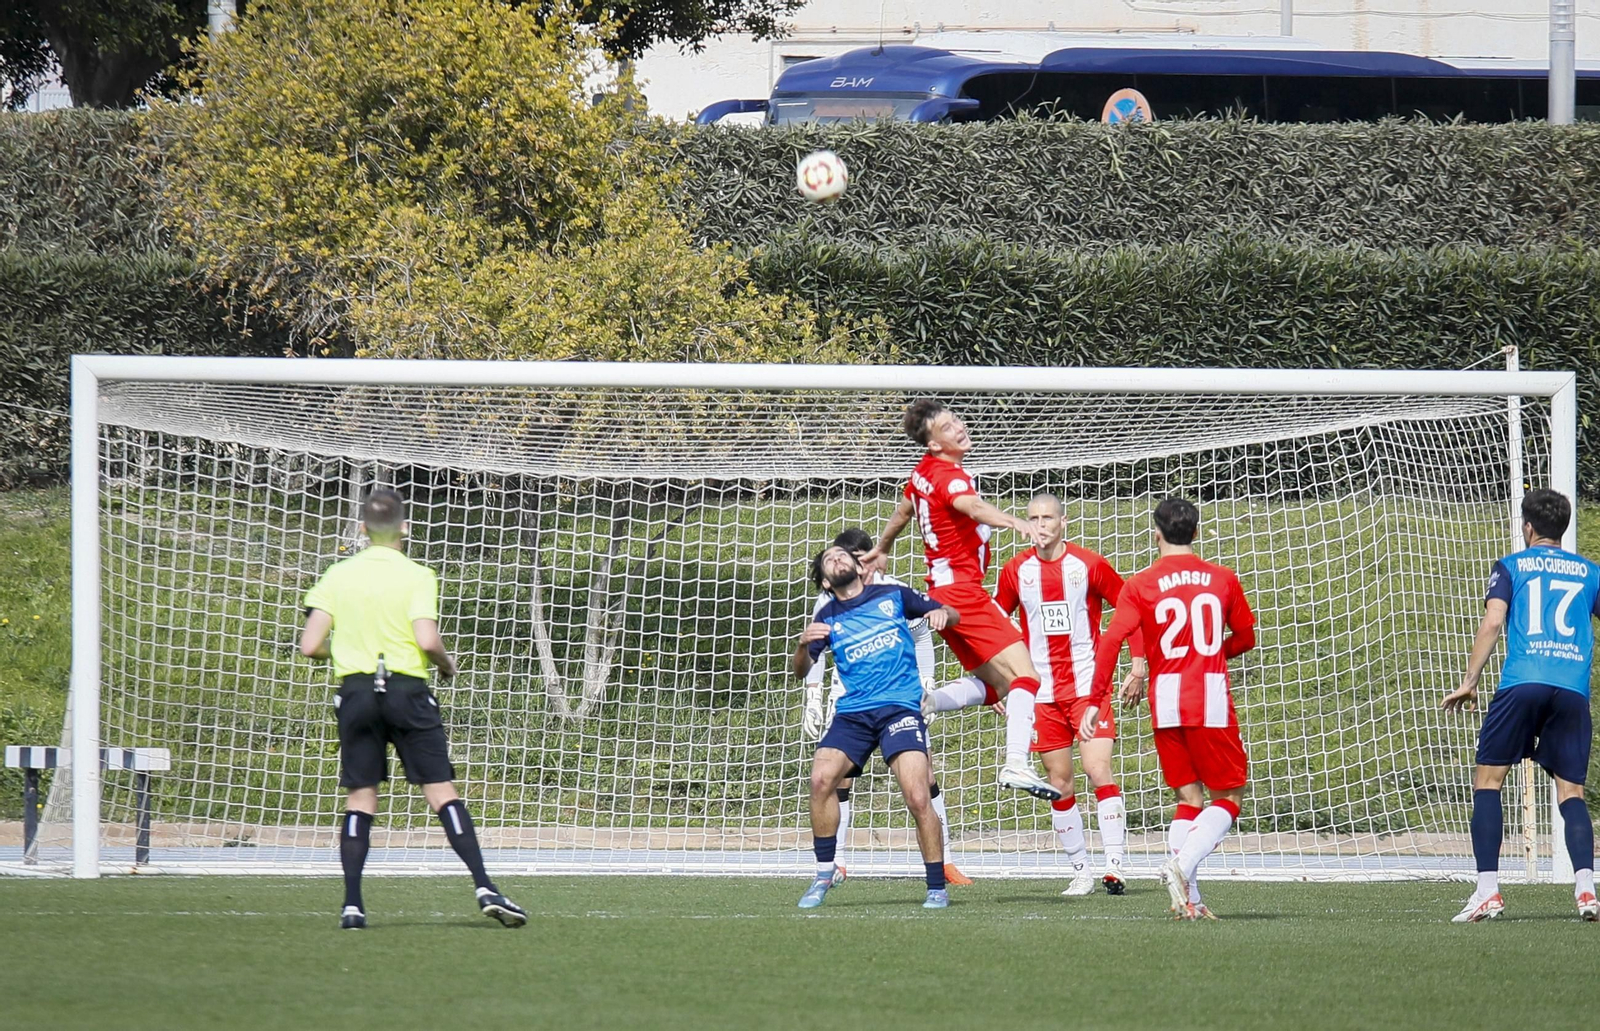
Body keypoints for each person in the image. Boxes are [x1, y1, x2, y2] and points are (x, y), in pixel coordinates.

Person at [300, 489, 525, 931]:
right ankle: (483, 886)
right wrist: (447, 663)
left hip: (357, 692)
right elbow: (426, 639)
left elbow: (310, 646)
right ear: (405, 527)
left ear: (362, 530)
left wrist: (342, 653)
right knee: (441, 791)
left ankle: (352, 906)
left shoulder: (337, 574)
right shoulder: (418, 574)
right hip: (407, 689)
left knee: (361, 797)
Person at [860, 399, 1059, 802]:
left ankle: (924, 701)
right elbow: (973, 506)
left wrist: (882, 547)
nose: (959, 428)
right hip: (963, 594)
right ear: (934, 444)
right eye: (948, 427)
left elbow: (903, 512)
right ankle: (1016, 762)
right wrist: (1015, 521)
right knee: (1028, 677)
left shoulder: (921, 474)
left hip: (942, 595)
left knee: (998, 685)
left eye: (957, 421)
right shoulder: (950, 479)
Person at [1084, 497, 1256, 920]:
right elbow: (1247, 637)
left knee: (1188, 796)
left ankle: (1190, 900)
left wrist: (1093, 700)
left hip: (1165, 698)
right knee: (1229, 792)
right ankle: (1181, 865)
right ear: (1195, 533)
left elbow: (1110, 642)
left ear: (1155, 533)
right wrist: (1214, 651)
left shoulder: (1140, 584)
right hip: (1209, 696)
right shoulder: (1222, 579)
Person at [1442, 488, 1599, 923]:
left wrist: (1470, 681)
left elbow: (1494, 620)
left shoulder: (1512, 566)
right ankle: (1587, 890)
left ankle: (1488, 891)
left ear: (1528, 527)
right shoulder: (1590, 571)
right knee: (1571, 792)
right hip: (1571, 690)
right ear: (1563, 528)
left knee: (1489, 782)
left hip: (1521, 683)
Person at [990, 492, 1144, 897]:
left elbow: (1130, 610)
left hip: (1088, 691)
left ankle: (1114, 865)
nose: (1040, 525)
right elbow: (993, 629)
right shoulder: (1014, 571)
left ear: (1063, 521)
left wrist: (1138, 664)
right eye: (1033, 518)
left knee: (1097, 769)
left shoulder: (1088, 565)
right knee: (1059, 781)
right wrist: (999, 683)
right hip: (1041, 695)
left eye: (1047, 518)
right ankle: (1081, 871)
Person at [793, 546, 961, 910]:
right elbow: (801, 670)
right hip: (853, 713)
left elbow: (951, 613)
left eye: (842, 555)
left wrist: (942, 614)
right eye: (829, 560)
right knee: (821, 779)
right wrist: (803, 645)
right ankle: (825, 872)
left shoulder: (892, 595)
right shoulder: (827, 615)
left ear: (857, 565)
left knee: (918, 796)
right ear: (825, 580)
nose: (838, 559)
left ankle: (936, 886)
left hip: (899, 707)